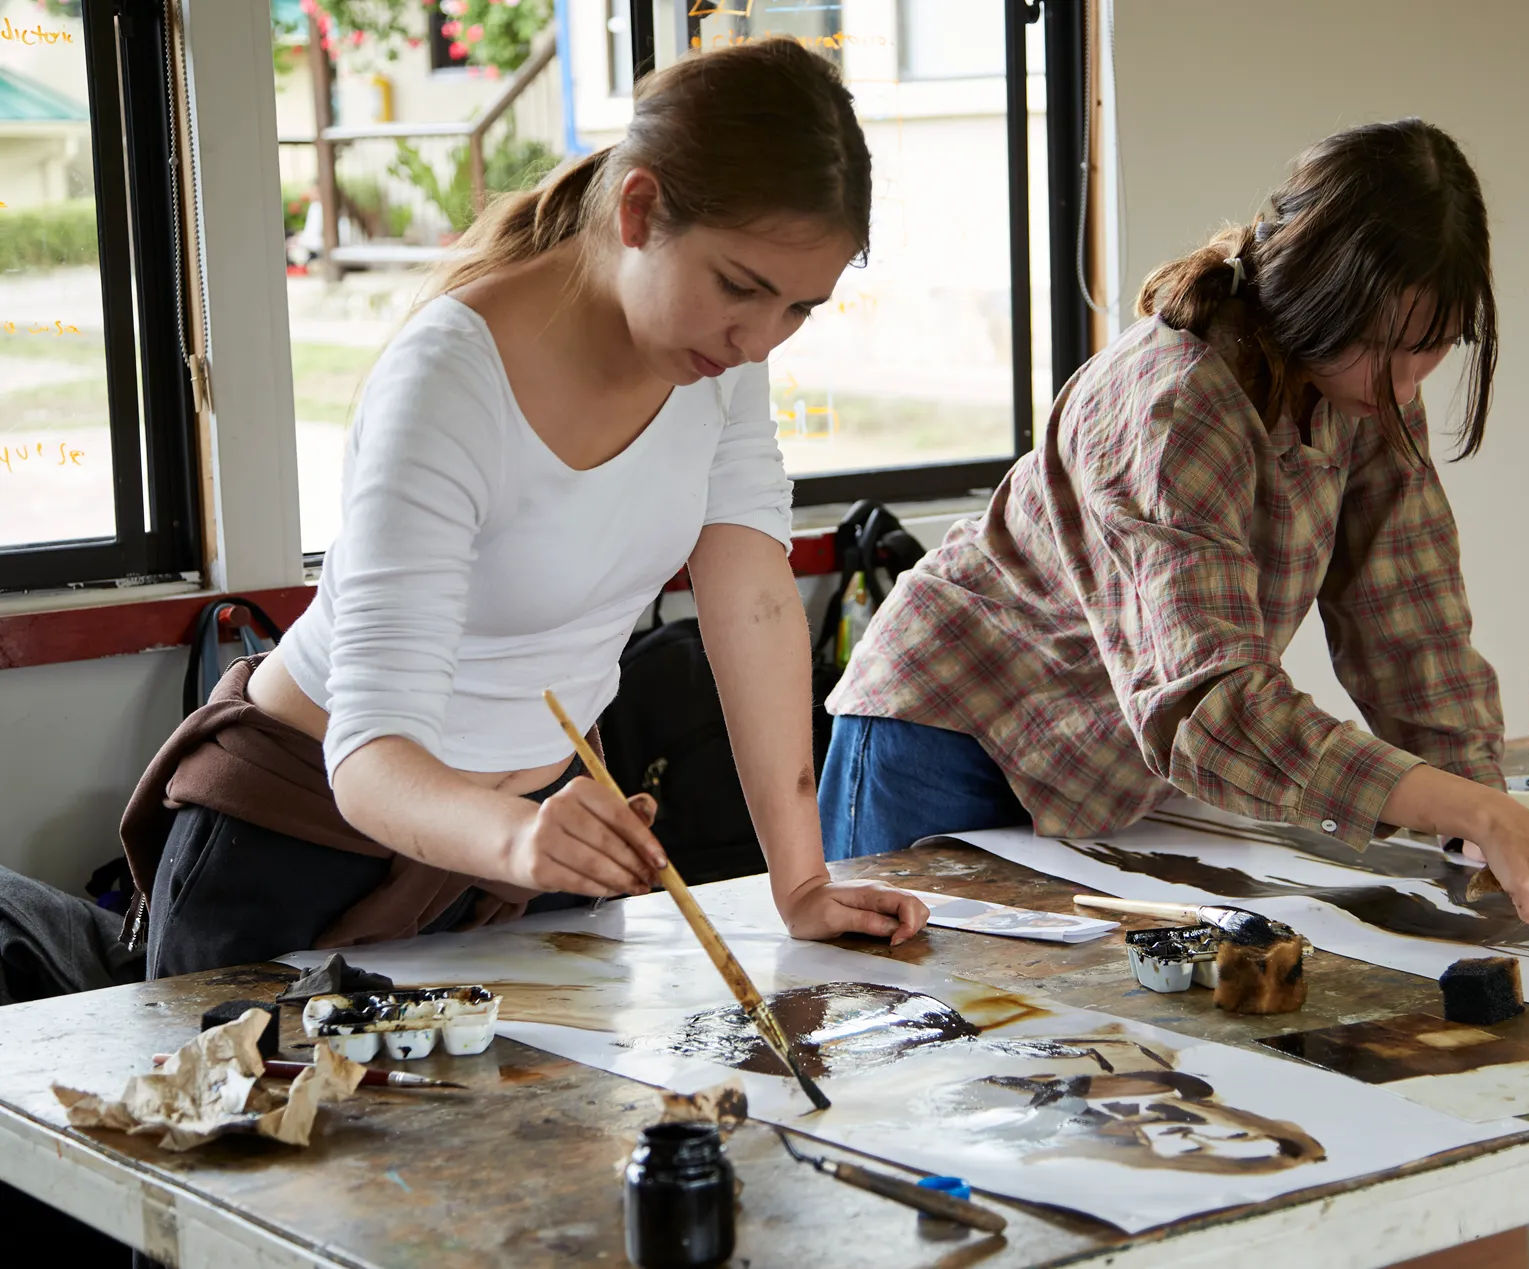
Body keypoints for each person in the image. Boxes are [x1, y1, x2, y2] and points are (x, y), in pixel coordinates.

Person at [122, 39, 928, 977]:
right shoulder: (451, 379)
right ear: (639, 210)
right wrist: (518, 839)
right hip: (300, 849)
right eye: (741, 287)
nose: (761, 339)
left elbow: (749, 601)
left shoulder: (717, 360)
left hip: (528, 846)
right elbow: (371, 754)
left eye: (800, 308)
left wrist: (801, 884)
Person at [823, 118, 1529, 943]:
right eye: (1382, 345)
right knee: (909, 1031)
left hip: (1097, 766)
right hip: (947, 733)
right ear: (1314, 295)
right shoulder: (1178, 401)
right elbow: (1211, 708)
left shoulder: (1369, 390)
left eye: (1432, 348)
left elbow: (1412, 624)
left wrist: (1485, 815)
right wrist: (1482, 812)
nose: (1404, 380)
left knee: (1064, 1042)